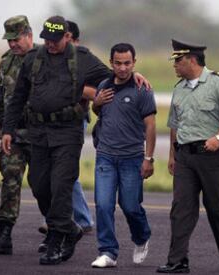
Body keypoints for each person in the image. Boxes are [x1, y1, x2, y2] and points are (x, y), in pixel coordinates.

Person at [2, 15, 112, 265]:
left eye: (55, 39)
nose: (50, 44)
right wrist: (8, 129)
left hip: (68, 133)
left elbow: (111, 78)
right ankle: (70, 229)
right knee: (39, 185)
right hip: (38, 132)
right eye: (46, 39)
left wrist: (135, 78)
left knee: (61, 186)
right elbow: (18, 97)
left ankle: (55, 239)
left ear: (67, 37)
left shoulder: (82, 58)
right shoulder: (33, 59)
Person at [156, 39, 219, 274]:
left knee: (217, 208)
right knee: (181, 208)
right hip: (185, 157)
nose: (174, 65)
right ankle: (178, 261)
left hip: (213, 157)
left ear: (192, 60)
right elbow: (175, 124)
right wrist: (173, 155)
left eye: (178, 61)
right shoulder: (178, 89)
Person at [90, 43, 156, 268]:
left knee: (130, 206)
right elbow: (100, 112)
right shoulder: (104, 85)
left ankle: (141, 236)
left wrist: (149, 158)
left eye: (127, 63)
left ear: (134, 63)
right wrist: (95, 104)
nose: (123, 68)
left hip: (132, 158)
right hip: (105, 156)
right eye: (118, 63)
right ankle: (108, 252)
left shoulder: (142, 89)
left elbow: (150, 126)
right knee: (103, 204)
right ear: (111, 63)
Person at [37, 20, 94, 236]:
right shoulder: (48, 58)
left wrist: (68, 90)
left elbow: (95, 89)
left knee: (65, 172)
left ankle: (78, 219)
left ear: (74, 39)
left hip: (74, 120)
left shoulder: (83, 59)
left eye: (66, 36)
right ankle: (67, 218)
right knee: (54, 171)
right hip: (50, 123)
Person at [0, 15, 33, 255]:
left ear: (29, 35)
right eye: (9, 40)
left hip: (39, 132)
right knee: (10, 179)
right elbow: (0, 92)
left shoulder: (43, 58)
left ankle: (59, 231)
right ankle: (4, 234)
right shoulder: (7, 62)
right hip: (12, 134)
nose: (13, 44)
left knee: (44, 184)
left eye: (17, 39)